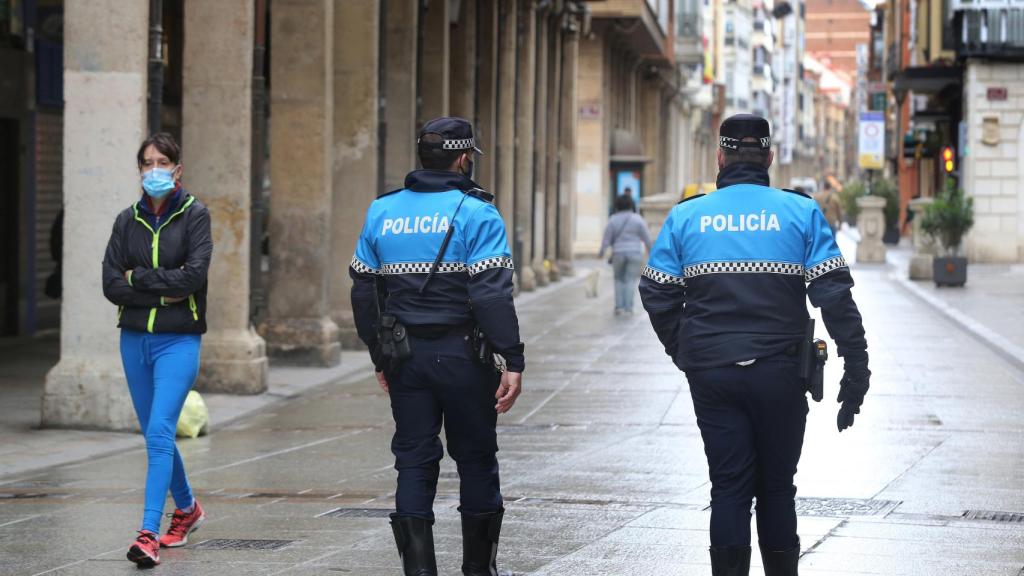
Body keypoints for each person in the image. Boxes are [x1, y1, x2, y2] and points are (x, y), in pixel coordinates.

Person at [639, 114, 870, 576]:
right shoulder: (800, 212)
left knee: (728, 488)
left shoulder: (687, 215)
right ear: (768, 157)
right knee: (777, 489)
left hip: (713, 372)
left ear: (720, 157)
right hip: (781, 372)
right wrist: (856, 365)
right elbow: (834, 297)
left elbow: (656, 291)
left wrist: (686, 351)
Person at [349, 117, 525, 576]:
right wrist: (514, 358)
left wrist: (379, 356)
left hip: (406, 360)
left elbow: (364, 292)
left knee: (413, 461)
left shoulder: (381, 210)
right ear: (464, 159)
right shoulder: (477, 212)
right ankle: (478, 570)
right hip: (467, 359)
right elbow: (490, 294)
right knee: (476, 460)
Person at [102, 132, 212, 568]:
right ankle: (187, 509)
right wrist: (155, 286)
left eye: (161, 162)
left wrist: (137, 279)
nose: (154, 171)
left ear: (177, 169)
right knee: (155, 433)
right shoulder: (125, 221)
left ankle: (147, 533)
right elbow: (111, 285)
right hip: (134, 340)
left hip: (178, 341)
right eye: (146, 163)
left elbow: (193, 278)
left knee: (162, 432)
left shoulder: (195, 216)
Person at [599, 194, 652, 315]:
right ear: (631, 205)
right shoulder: (638, 219)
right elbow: (647, 238)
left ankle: (619, 307)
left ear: (617, 205)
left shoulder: (613, 219)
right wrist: (652, 252)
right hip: (634, 253)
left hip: (618, 253)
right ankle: (629, 307)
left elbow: (606, 239)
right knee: (630, 280)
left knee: (618, 279)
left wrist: (601, 253)